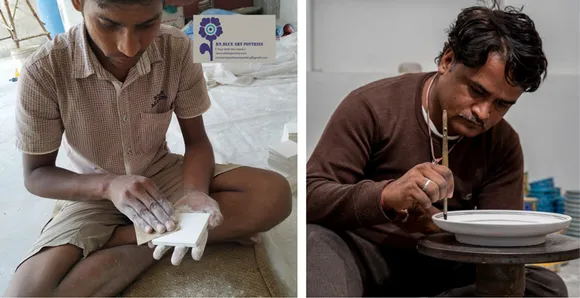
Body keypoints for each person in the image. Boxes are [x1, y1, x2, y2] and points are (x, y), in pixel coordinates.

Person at [6, 0, 292, 296]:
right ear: (78, 3)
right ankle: (173, 235)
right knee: (25, 293)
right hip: (92, 193)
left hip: (163, 175)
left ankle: (127, 239)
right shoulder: (44, 71)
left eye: (146, 25)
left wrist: (195, 193)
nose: (129, 47)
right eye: (108, 24)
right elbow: (36, 175)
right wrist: (108, 186)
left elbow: (197, 142)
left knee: (274, 195)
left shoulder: (175, 48)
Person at [306, 2, 568, 297]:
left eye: (502, 104)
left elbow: (500, 244)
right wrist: (386, 196)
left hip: (448, 263)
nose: (483, 113)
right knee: (313, 246)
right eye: (477, 91)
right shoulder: (372, 107)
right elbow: (310, 194)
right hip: (366, 256)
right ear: (447, 60)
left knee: (546, 287)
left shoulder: (502, 143)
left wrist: (438, 228)